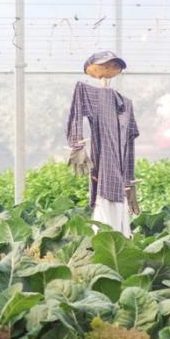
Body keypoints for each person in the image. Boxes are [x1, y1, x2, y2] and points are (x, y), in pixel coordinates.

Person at [66, 50, 140, 238]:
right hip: (105, 167)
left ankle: (119, 240)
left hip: (120, 172)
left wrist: (130, 182)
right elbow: (76, 113)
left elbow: (130, 146)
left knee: (119, 211)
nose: (109, 70)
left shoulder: (126, 104)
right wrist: (77, 144)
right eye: (104, 66)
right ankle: (107, 240)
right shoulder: (90, 93)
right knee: (105, 205)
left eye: (113, 66)